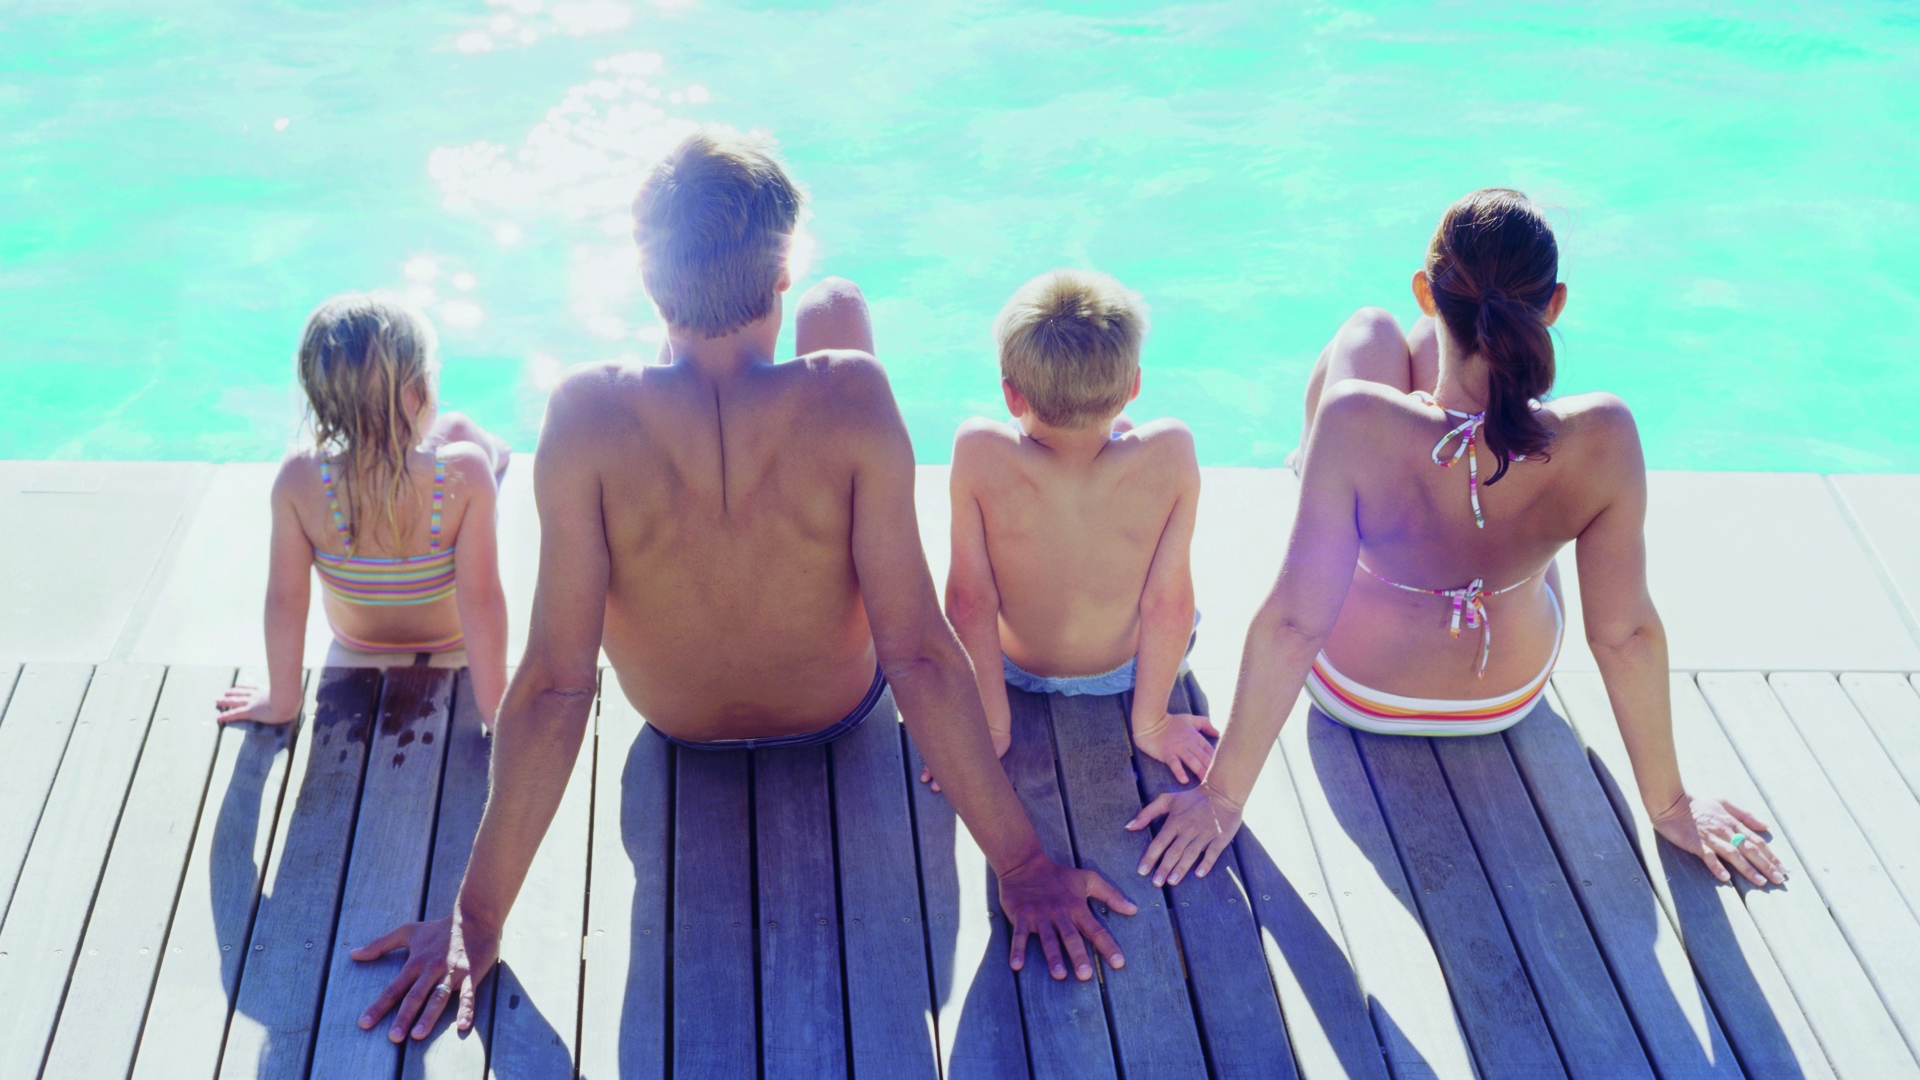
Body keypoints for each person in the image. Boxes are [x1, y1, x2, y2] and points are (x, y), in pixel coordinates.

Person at [347, 127, 1137, 1044]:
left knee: (714, 368)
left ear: (649, 280)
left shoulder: (585, 414)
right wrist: (1023, 864)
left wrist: (476, 917)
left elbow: (558, 685)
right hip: (834, 707)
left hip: (681, 722)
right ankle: (740, 330)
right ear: (780, 270)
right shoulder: (854, 397)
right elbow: (919, 655)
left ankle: (698, 341)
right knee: (840, 311)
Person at [1130, 188, 1785, 894]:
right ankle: (1473, 454)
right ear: (1554, 305)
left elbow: (1293, 624)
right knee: (1441, 379)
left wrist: (1223, 797)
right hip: (1505, 695)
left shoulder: (1354, 420)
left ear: (1428, 289)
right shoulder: (1607, 435)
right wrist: (1671, 803)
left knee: (1370, 331)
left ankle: (1316, 468)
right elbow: (1624, 635)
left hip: (1361, 690)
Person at [933, 268, 1211, 788]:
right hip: (1123, 671)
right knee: (1123, 436)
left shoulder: (978, 452)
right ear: (1134, 385)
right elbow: (1167, 603)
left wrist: (991, 726)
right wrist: (1152, 723)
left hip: (1017, 666)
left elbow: (970, 601)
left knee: (1099, 439)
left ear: (1012, 395)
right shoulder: (1172, 451)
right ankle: (1148, 718)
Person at [215, 293, 510, 727]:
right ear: (421, 389)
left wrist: (282, 702)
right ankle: (496, 452)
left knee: (455, 436)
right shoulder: (465, 471)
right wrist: (497, 712)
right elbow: (480, 599)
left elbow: (285, 600)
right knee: (461, 431)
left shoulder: (299, 479)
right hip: (449, 635)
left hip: (359, 639)